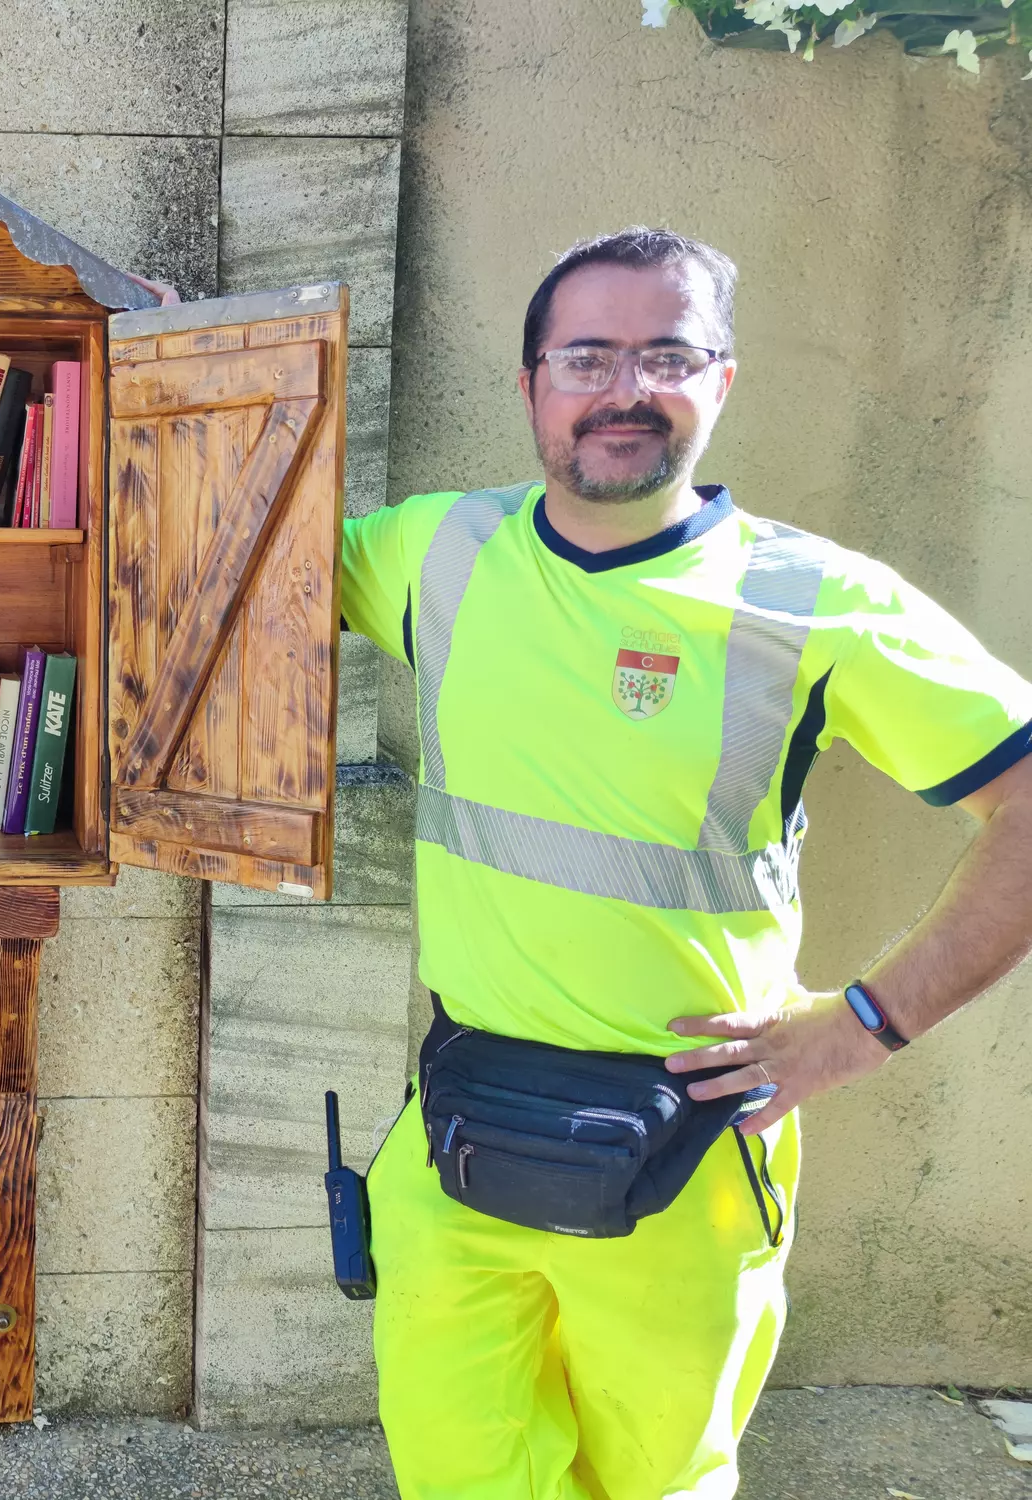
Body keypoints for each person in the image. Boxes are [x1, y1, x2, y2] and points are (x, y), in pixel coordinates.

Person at [336, 226, 1032, 1498]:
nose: (622, 389)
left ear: (720, 381)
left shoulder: (810, 599)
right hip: (460, 1137)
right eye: (585, 356)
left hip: (688, 1155)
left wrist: (861, 1024)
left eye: (664, 354)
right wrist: (178, 358)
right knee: (456, 1476)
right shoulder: (436, 552)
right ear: (530, 383)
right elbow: (226, 534)